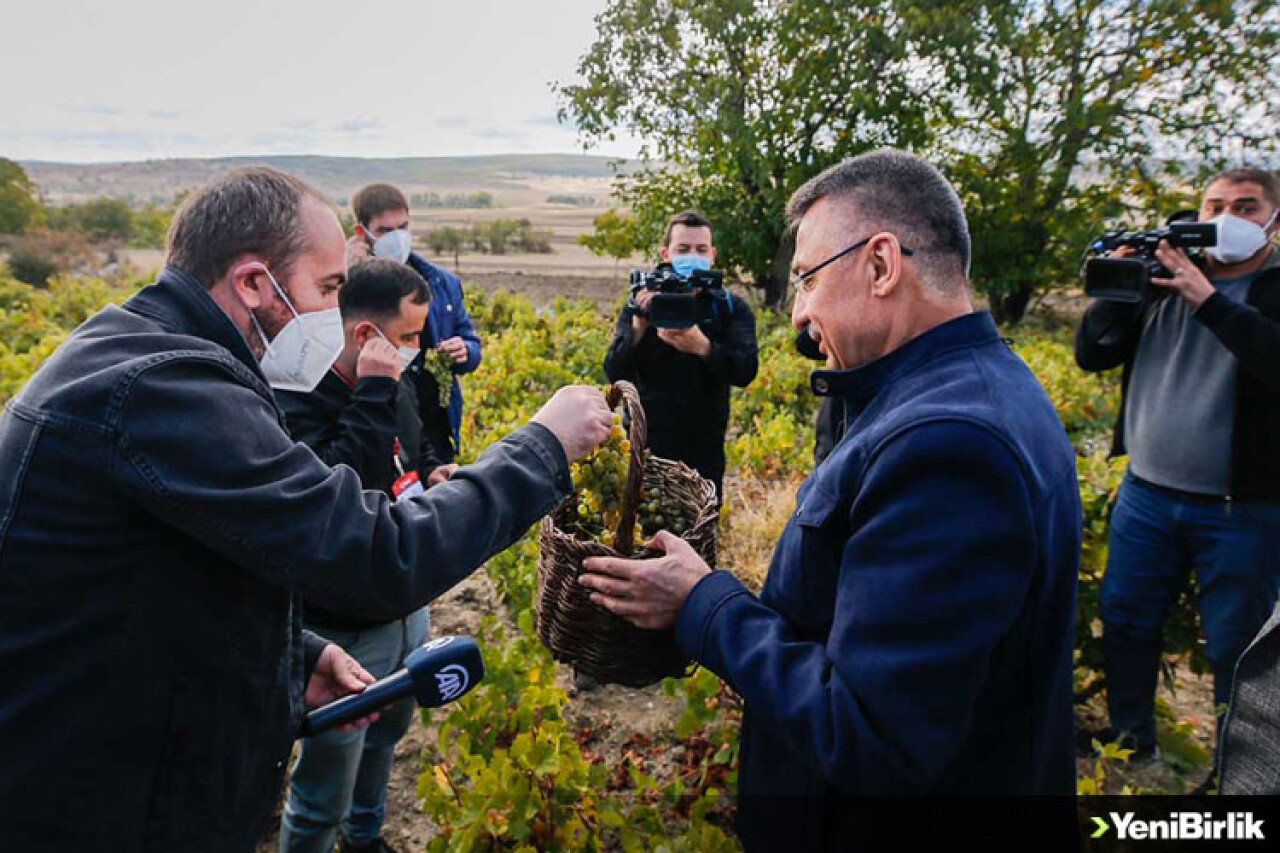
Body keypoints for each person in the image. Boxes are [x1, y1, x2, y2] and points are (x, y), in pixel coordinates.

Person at [0, 166, 611, 852]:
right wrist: (541, 448)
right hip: (96, 809)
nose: (338, 314)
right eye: (328, 289)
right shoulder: (162, 389)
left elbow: (166, 577)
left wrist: (291, 655)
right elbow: (375, 552)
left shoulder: (155, 356)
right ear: (255, 283)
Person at [580, 151, 1081, 851]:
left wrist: (702, 602)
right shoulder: (971, 389)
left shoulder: (948, 446)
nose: (802, 311)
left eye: (809, 278)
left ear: (880, 265)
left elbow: (869, 733)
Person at [1075, 167, 1280, 765]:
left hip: (1243, 508)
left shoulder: (1272, 288)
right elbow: (1093, 356)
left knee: (1236, 647)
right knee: (1127, 621)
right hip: (1147, 493)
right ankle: (1131, 739)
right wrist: (1119, 290)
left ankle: (1237, 769)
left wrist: (1208, 299)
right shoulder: (1160, 278)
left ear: (1273, 220)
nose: (1225, 219)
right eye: (1213, 205)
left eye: (1245, 207)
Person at [274, 259, 450, 853]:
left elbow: (411, 440)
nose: (417, 349)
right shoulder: (296, 401)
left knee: (385, 739)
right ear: (365, 337)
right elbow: (338, 493)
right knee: (325, 782)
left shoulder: (392, 381)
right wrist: (374, 390)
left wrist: (431, 470)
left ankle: (366, 837)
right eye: (407, 337)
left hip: (405, 602)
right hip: (345, 627)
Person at [603, 211, 758, 500]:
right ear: (667, 253)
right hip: (645, 445)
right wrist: (638, 327)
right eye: (683, 249)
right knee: (641, 531)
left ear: (712, 255)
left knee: (699, 530)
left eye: (700, 250)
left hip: (704, 447)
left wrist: (703, 347)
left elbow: (746, 370)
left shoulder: (729, 307)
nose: (692, 256)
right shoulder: (643, 301)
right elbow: (615, 372)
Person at [346, 183, 480, 463]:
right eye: (385, 231)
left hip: (434, 425)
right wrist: (349, 275)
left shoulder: (442, 283)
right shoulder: (348, 288)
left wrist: (465, 351)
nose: (397, 238)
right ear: (362, 233)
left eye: (403, 227)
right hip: (383, 424)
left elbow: (470, 341)